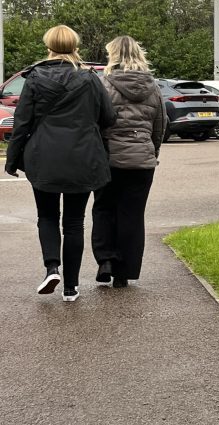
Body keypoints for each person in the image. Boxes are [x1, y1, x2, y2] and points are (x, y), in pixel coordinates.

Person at [4, 25, 116, 301]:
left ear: (49, 45)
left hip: (43, 158)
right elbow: (109, 117)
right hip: (83, 157)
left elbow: (22, 123)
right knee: (75, 222)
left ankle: (52, 267)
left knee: (47, 216)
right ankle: (71, 287)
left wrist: (12, 159)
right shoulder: (90, 79)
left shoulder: (35, 77)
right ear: (75, 45)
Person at [91, 36, 166, 288]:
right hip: (141, 160)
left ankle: (105, 260)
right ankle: (125, 272)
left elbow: (96, 122)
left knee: (103, 209)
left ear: (112, 55)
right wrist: (151, 151)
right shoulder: (153, 87)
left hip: (109, 157)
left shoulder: (103, 84)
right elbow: (160, 125)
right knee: (132, 215)